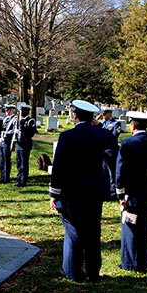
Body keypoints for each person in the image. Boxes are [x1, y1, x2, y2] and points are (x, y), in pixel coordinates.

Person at [49, 100, 109, 282]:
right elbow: (112, 141)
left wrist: (54, 194)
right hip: (94, 191)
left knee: (73, 231)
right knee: (92, 232)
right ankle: (93, 272)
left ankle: (72, 271)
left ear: (74, 116)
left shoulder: (67, 137)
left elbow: (59, 167)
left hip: (72, 192)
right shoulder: (100, 135)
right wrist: (98, 125)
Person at [115, 111, 147, 272]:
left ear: (133, 125)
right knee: (143, 228)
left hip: (132, 192)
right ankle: (143, 262)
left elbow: (120, 171)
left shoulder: (128, 143)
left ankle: (130, 263)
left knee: (130, 227)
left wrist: (120, 194)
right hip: (146, 191)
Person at [15, 104, 37, 187]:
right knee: (18, 162)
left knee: (24, 163)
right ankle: (19, 179)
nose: (21, 112)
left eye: (22, 110)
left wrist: (21, 133)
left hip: (25, 144)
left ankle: (23, 181)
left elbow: (31, 133)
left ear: (26, 111)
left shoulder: (31, 121)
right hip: (19, 144)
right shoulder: (20, 120)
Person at [0, 104, 18, 184]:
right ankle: (2, 176)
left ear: (12, 110)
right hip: (2, 141)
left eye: (8, 110)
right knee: (2, 160)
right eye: (6, 110)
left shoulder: (15, 119)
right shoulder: (5, 118)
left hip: (8, 141)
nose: (6, 111)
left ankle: (6, 177)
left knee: (6, 160)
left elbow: (14, 130)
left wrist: (6, 133)